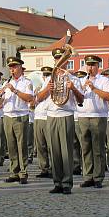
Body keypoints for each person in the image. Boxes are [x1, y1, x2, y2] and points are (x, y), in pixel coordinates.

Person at [38, 47, 84, 195]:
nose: (60, 61)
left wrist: (74, 89)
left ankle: (67, 183)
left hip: (66, 115)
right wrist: (47, 89)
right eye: (57, 59)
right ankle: (57, 182)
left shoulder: (73, 78)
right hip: (51, 116)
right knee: (54, 151)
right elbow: (39, 98)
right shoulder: (49, 78)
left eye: (62, 59)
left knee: (66, 152)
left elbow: (81, 100)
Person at [75, 56, 109, 189]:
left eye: (93, 65)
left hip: (98, 116)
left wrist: (94, 88)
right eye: (88, 65)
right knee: (85, 148)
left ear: (98, 66)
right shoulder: (81, 80)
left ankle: (98, 177)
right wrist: (81, 89)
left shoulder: (104, 80)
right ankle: (88, 176)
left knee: (98, 148)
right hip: (83, 116)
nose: (90, 68)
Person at [33, 65, 54, 179]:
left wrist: (45, 89)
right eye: (44, 75)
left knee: (50, 145)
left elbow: (41, 98)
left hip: (47, 117)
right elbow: (37, 99)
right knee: (40, 145)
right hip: (38, 117)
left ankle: (53, 168)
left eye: (47, 74)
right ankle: (44, 168)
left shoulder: (52, 83)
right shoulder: (41, 86)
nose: (45, 77)